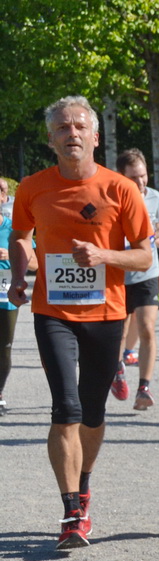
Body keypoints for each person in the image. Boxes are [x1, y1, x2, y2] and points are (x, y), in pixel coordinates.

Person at [7, 96, 153, 549]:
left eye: (79, 126)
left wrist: (104, 255)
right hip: (53, 312)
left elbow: (144, 255)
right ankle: (71, 511)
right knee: (65, 408)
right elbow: (19, 236)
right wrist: (18, 277)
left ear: (95, 136)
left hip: (106, 315)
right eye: (62, 128)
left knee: (92, 412)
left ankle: (83, 483)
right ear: (50, 140)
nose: (71, 133)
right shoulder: (33, 187)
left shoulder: (120, 189)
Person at [115, 148, 159, 409]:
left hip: (148, 272)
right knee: (120, 331)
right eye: (133, 177)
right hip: (119, 273)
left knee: (147, 327)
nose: (140, 182)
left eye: (143, 176)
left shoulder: (154, 197)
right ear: (121, 176)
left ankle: (144, 388)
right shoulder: (113, 197)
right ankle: (118, 370)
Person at [0, 176, 24, 415]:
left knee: (4, 347)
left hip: (5, 295)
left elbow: (34, 263)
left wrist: (11, 255)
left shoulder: (13, 229)